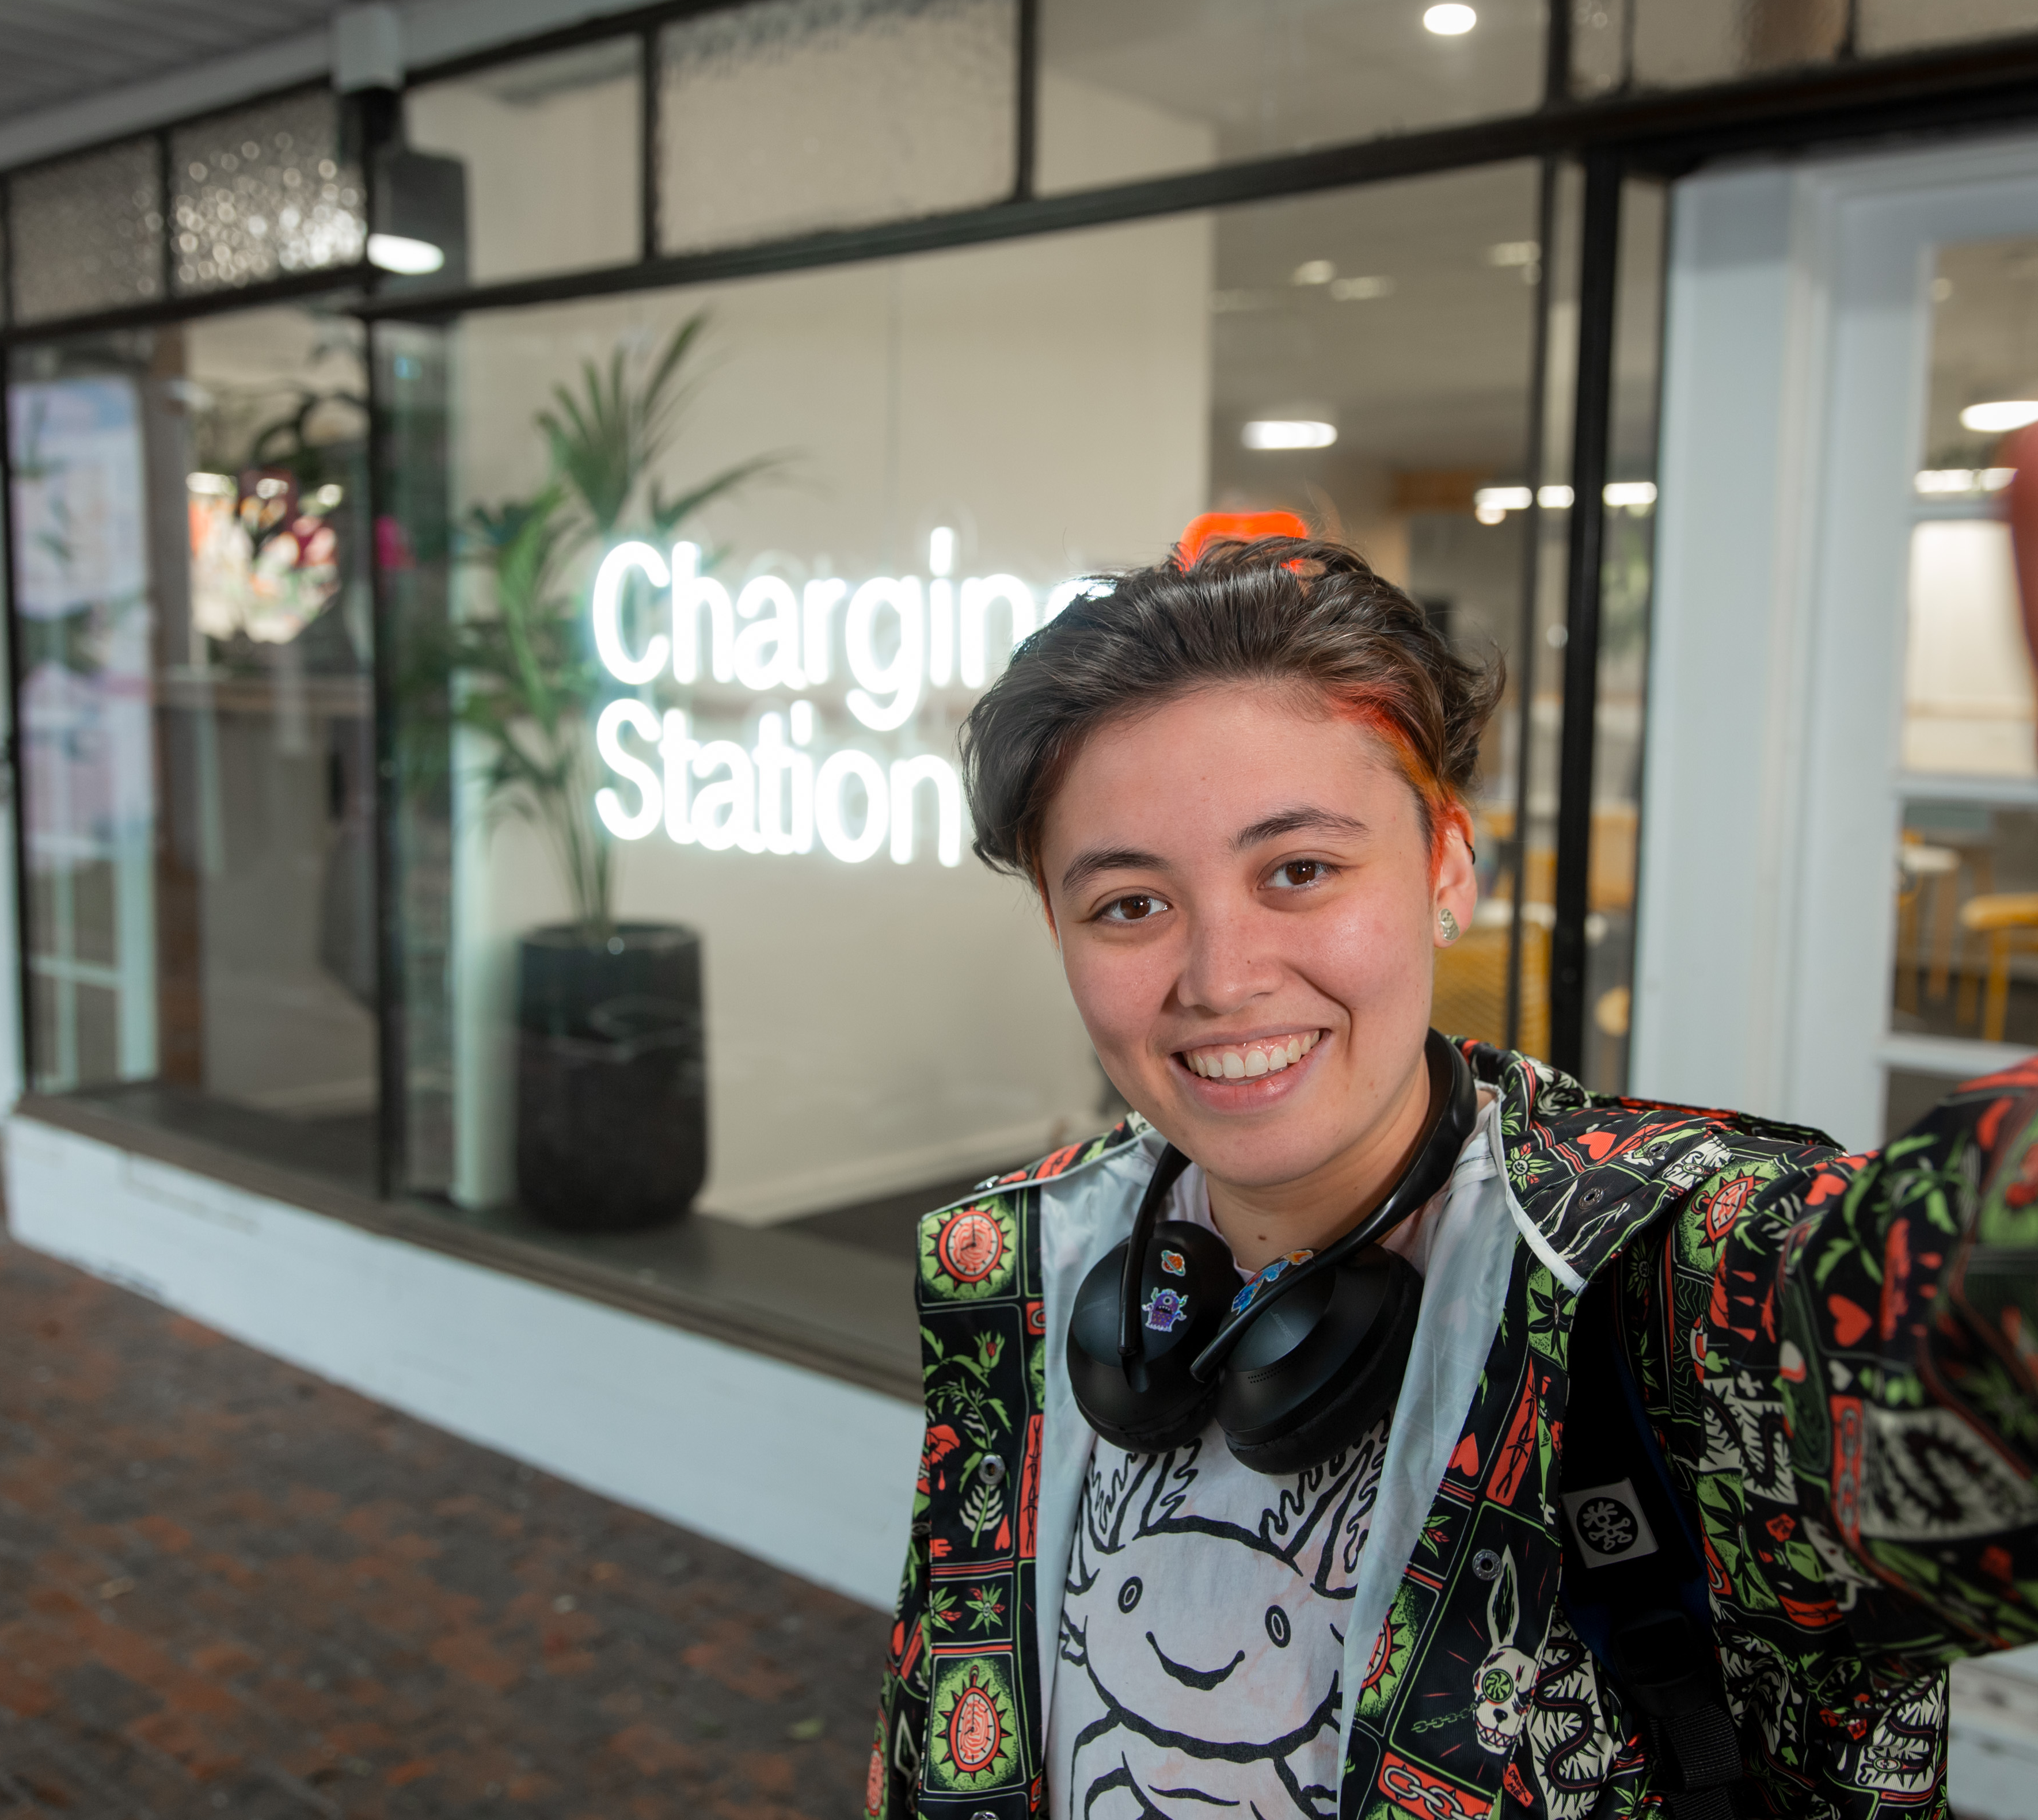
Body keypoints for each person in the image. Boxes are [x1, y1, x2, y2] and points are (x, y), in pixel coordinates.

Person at [866, 535, 2038, 1820]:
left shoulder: (1651, 1269)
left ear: (1447, 868)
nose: (1220, 975)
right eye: (1131, 904)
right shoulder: (1025, 1262)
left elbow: (1947, 1335)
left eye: (1298, 870)